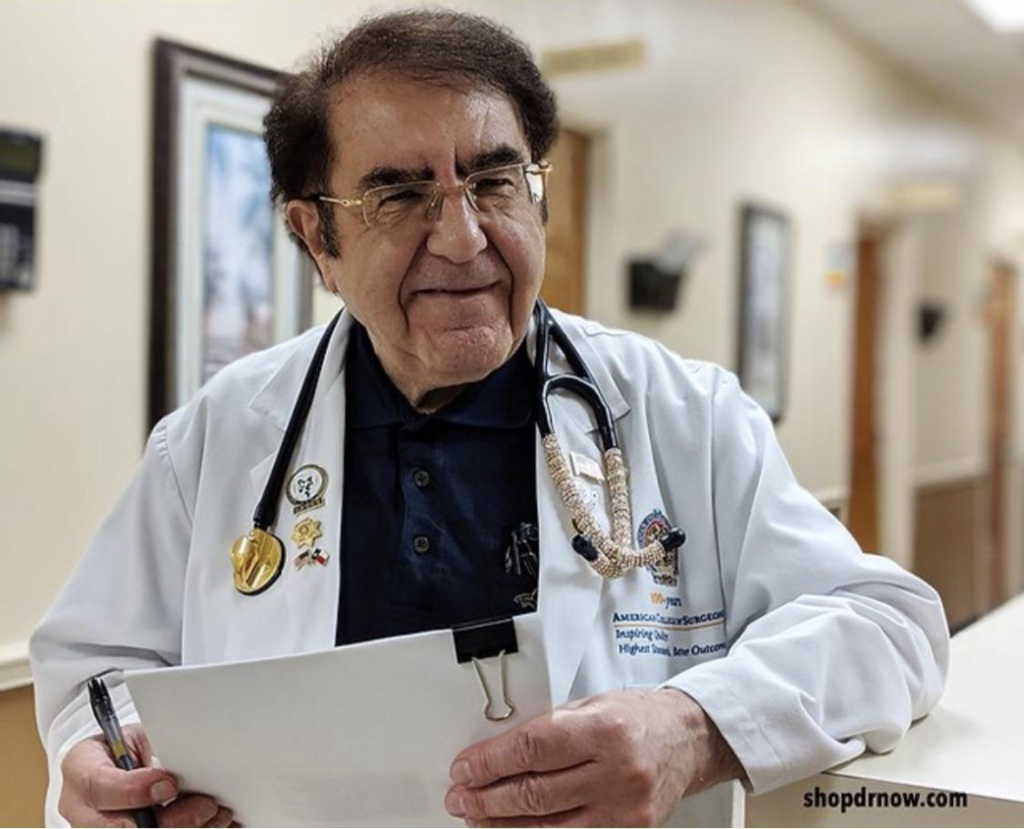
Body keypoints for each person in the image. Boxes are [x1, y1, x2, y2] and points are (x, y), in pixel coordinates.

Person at [31, 9, 949, 828]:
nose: (464, 237)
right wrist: (104, 766)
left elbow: (888, 627)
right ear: (318, 238)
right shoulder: (218, 438)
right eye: (400, 195)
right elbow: (97, 674)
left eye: (495, 180)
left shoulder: (684, 414)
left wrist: (692, 727)